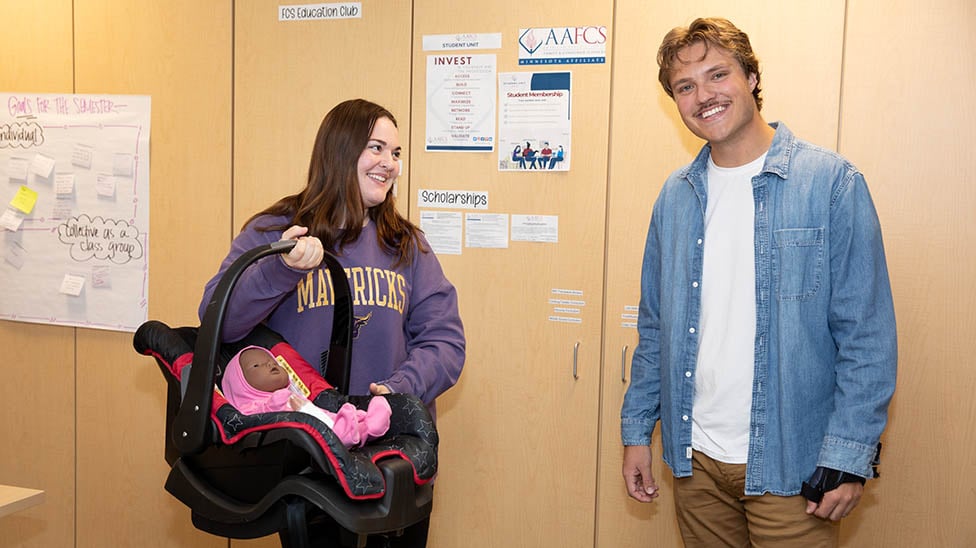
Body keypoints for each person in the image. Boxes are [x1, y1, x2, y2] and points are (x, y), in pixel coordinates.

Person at [620, 17, 896, 547]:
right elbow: (655, 329)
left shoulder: (831, 185)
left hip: (792, 467)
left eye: (717, 74)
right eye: (685, 86)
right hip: (694, 465)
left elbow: (867, 336)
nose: (704, 95)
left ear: (750, 77)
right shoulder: (675, 198)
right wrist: (637, 433)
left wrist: (848, 454)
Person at [199, 98, 466, 547]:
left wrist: (400, 387)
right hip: (311, 464)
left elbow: (445, 340)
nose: (390, 164)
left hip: (394, 457)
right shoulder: (278, 231)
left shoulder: (406, 245)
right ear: (340, 150)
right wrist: (280, 269)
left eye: (396, 153)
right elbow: (216, 322)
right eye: (377, 148)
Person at [221, 345, 392, 449]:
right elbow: (256, 416)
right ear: (240, 384)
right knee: (328, 424)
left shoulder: (293, 395)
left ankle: (365, 424)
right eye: (257, 365)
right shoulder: (247, 410)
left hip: (319, 423)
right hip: (304, 439)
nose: (270, 364)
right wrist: (274, 402)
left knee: (326, 413)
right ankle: (352, 430)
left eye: (273, 362)